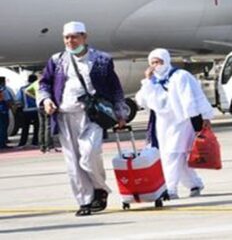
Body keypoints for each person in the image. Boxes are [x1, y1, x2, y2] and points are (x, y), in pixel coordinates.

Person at [37, 21, 127, 216]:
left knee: (89, 154)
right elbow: (44, 84)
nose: (70, 41)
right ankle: (85, 200)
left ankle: (100, 188)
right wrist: (46, 100)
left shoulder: (102, 59)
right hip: (64, 115)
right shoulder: (57, 60)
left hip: (92, 115)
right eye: (66, 37)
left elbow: (115, 88)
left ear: (84, 37)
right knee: (73, 162)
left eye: (74, 36)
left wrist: (121, 113)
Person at [135, 48, 214, 199]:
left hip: (181, 121)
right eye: (153, 63)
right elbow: (144, 101)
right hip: (163, 124)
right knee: (178, 155)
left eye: (158, 62)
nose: (156, 66)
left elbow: (194, 97)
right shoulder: (153, 81)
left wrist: (203, 117)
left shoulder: (180, 76)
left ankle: (170, 189)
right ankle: (194, 184)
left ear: (166, 61)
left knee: (172, 154)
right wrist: (148, 82)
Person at [17, 75, 40, 147]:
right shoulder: (38, 87)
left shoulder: (23, 88)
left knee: (25, 127)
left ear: (28, 80)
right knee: (37, 127)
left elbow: (19, 99)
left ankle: (22, 143)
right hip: (36, 110)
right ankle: (35, 142)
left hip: (26, 111)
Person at [0, 76, 15, 149]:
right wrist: (11, 107)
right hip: (3, 110)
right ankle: (2, 143)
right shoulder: (3, 90)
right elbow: (8, 100)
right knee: (3, 127)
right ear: (3, 82)